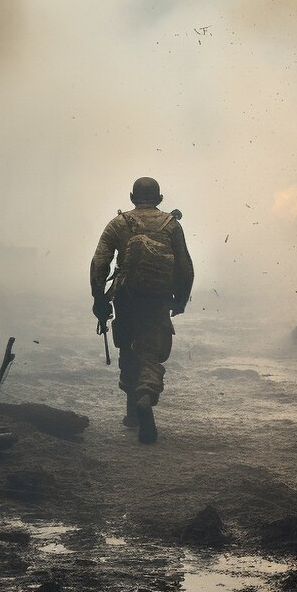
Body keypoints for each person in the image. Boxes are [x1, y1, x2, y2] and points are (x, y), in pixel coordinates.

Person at [90, 176, 194, 443]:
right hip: (157, 300)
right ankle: (145, 396)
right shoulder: (172, 225)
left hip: (125, 298)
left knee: (128, 347)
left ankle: (132, 414)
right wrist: (180, 300)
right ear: (159, 198)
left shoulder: (119, 223)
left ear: (131, 197)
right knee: (150, 353)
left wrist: (99, 300)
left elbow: (99, 262)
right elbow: (185, 267)